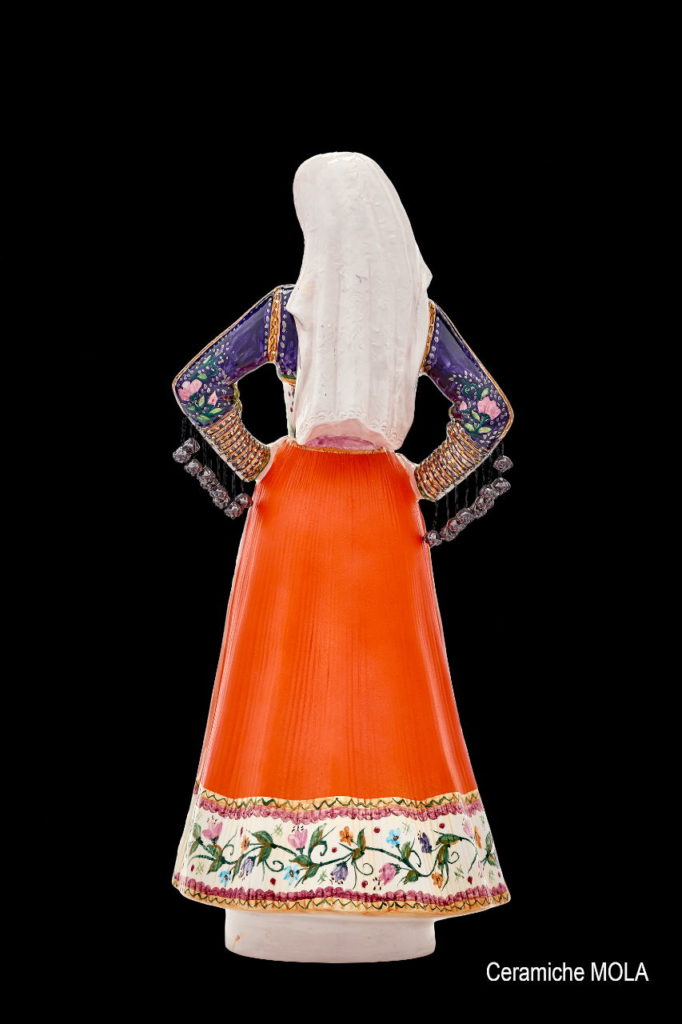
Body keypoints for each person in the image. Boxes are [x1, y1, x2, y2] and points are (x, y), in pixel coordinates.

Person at [170, 152, 514, 963]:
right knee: (387, 680)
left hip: (293, 509)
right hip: (384, 514)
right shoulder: (415, 320)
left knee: (281, 676)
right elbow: (486, 410)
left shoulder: (289, 311)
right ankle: (399, 885)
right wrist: (423, 479)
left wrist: (255, 459)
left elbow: (200, 387)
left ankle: (268, 879)